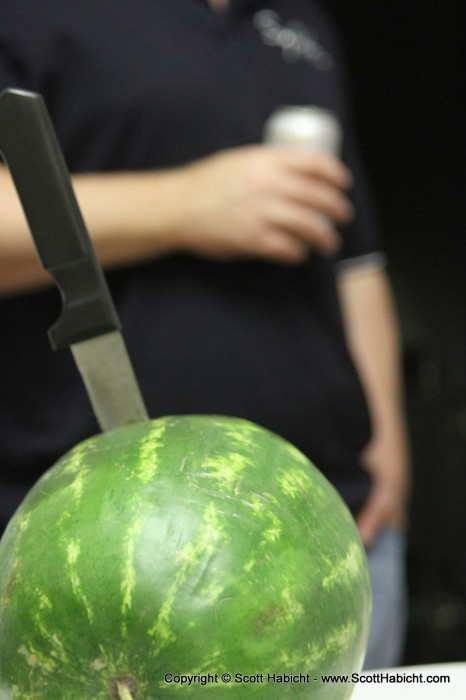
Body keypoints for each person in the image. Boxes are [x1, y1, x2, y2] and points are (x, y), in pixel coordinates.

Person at [0, 0, 409, 668]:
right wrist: (186, 204)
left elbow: (356, 260)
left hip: (338, 535)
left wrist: (389, 447)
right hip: (96, 566)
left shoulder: (304, 23)